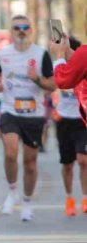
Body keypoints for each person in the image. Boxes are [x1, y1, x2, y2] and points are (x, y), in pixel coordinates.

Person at [0, 14, 55, 222]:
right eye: (17, 27)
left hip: (34, 114)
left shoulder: (41, 54)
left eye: (25, 27)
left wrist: (36, 79)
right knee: (10, 153)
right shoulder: (2, 54)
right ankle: (12, 191)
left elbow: (53, 84)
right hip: (10, 111)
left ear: (31, 30)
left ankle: (27, 202)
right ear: (11, 32)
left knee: (30, 162)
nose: (21, 31)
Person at [50, 23, 87, 215]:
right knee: (68, 163)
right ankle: (70, 198)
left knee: (83, 160)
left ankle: (85, 198)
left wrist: (58, 56)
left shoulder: (82, 56)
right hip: (65, 119)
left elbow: (62, 80)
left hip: (81, 122)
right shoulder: (81, 56)